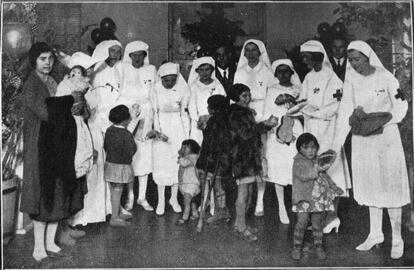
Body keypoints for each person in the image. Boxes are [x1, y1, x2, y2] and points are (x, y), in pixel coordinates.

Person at [332, 40, 410, 259]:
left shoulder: (386, 77)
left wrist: (382, 121)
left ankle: (397, 237)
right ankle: (375, 234)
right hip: (362, 142)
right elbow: (345, 111)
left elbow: (401, 106)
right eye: (352, 60)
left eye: (358, 59)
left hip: (386, 139)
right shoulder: (352, 81)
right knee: (371, 186)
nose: (355, 64)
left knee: (390, 187)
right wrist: (336, 145)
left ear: (368, 56)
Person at [19, 42, 85, 262]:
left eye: (50, 59)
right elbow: (47, 113)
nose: (47, 63)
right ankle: (38, 246)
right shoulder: (31, 85)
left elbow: (64, 109)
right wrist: (71, 102)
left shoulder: (53, 81)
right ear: (33, 61)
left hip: (56, 145)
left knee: (57, 193)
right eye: (42, 59)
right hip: (39, 147)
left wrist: (74, 104)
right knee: (42, 196)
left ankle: (49, 242)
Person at [299, 40, 351, 233]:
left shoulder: (333, 79)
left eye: (306, 57)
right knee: (315, 176)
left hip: (328, 132)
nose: (303, 60)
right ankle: (319, 219)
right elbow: (303, 101)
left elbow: (336, 107)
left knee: (331, 173)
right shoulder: (308, 77)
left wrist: (314, 112)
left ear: (316, 57)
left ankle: (333, 216)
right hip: (312, 130)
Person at [55, 52, 97, 240]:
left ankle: (69, 225)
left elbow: (86, 115)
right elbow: (58, 112)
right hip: (66, 136)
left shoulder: (86, 92)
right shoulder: (62, 89)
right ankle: (62, 230)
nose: (76, 76)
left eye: (79, 72)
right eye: (73, 72)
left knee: (76, 181)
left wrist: (82, 104)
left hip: (81, 136)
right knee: (65, 180)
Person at [228, 84, 278, 242]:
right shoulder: (236, 114)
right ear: (236, 97)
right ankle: (241, 226)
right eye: (244, 96)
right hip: (241, 158)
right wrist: (265, 125)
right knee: (243, 192)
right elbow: (245, 134)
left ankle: (240, 223)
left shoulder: (243, 112)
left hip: (249, 157)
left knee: (249, 191)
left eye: (249, 95)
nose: (248, 99)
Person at [83, 40, 124, 225]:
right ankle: (89, 212)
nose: (115, 54)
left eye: (118, 50)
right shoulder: (88, 81)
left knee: (107, 166)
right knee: (93, 169)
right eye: (111, 50)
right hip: (92, 127)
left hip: (109, 124)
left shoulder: (120, 70)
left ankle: (108, 208)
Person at [233, 39, 276, 217]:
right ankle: (245, 200)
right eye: (247, 50)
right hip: (244, 117)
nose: (251, 54)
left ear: (260, 53)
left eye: (254, 50)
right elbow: (234, 96)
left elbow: (272, 95)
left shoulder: (267, 72)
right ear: (244, 54)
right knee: (244, 158)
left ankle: (259, 200)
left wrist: (264, 120)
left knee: (261, 158)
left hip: (262, 115)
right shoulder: (240, 72)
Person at [116, 41, 156, 212]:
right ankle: (130, 197)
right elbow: (119, 94)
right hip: (129, 118)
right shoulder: (122, 69)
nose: (138, 58)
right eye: (135, 54)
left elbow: (153, 95)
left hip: (146, 118)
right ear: (129, 55)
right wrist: (130, 110)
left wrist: (151, 119)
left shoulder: (151, 70)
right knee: (129, 160)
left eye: (141, 54)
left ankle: (142, 197)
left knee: (145, 158)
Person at [263, 59, 303, 224]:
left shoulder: (298, 90)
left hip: (296, 130)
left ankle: (296, 203)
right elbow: (267, 112)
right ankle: (281, 207)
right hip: (277, 132)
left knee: (295, 167)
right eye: (280, 72)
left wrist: (293, 104)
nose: (283, 75)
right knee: (278, 170)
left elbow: (304, 111)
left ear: (292, 73)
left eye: (287, 71)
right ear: (275, 74)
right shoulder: (271, 90)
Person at [291, 133, 339, 261]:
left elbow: (325, 176)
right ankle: (296, 247)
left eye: (313, 147)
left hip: (318, 200)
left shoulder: (318, 160)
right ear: (299, 149)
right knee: (301, 223)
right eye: (305, 148)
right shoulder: (298, 161)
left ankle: (319, 246)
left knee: (317, 225)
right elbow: (303, 175)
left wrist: (334, 187)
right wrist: (316, 169)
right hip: (304, 199)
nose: (310, 151)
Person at [152, 62, 191, 216]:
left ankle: (173, 199)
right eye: (166, 80)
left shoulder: (182, 90)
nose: (169, 83)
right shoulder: (155, 90)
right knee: (161, 165)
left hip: (177, 130)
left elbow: (184, 114)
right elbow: (154, 113)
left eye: (173, 80)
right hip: (161, 131)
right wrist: (159, 132)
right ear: (161, 78)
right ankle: (161, 200)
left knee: (176, 165)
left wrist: (186, 137)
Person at [196, 95, 232, 225]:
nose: (207, 108)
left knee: (218, 187)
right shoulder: (224, 120)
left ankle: (221, 212)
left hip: (216, 159)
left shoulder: (215, 121)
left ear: (214, 109)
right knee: (219, 187)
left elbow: (212, 141)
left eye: (209, 106)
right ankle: (223, 210)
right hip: (220, 158)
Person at [104, 105, 137, 227]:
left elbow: (105, 146)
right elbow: (132, 149)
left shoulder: (109, 130)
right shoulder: (126, 133)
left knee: (113, 190)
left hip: (110, 164)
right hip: (121, 166)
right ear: (125, 120)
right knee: (118, 191)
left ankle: (116, 212)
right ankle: (115, 217)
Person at [188, 56, 226, 145]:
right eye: (201, 70)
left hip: (216, 122)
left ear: (212, 70)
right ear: (197, 71)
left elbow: (223, 104)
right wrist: (200, 119)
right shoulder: (193, 87)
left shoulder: (218, 86)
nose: (204, 73)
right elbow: (191, 107)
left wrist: (212, 118)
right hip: (199, 123)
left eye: (207, 69)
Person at [177, 139, 201, 224]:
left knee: (186, 201)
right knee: (192, 201)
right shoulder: (188, 157)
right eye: (182, 147)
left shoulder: (193, 157)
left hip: (192, 184)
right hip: (187, 183)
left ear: (192, 149)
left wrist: (180, 156)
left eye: (185, 147)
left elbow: (184, 163)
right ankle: (195, 213)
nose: (183, 149)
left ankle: (185, 216)